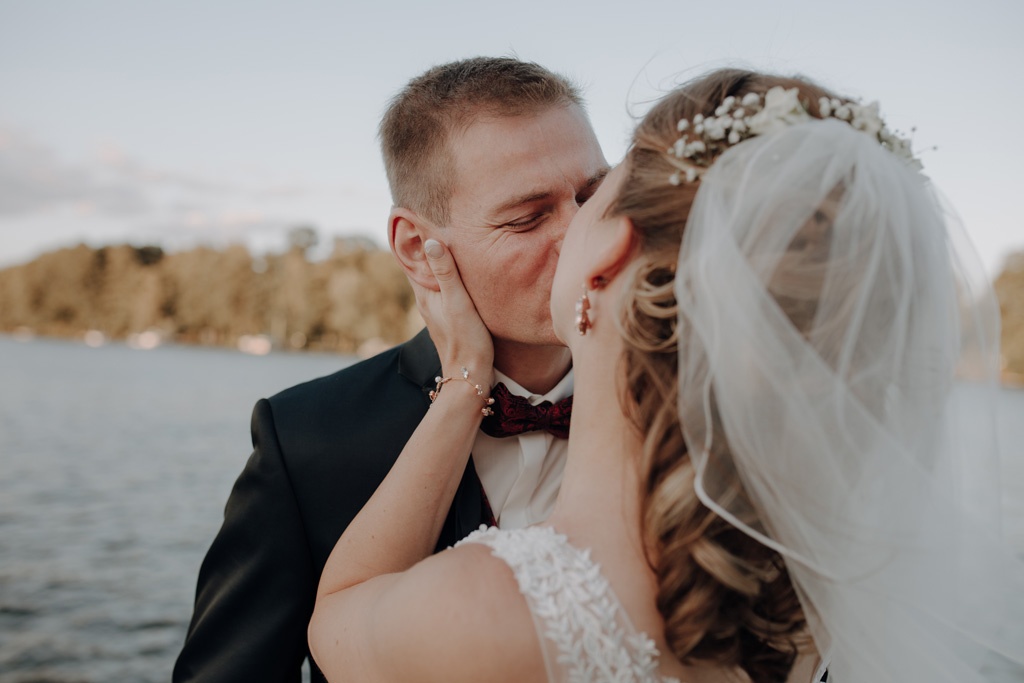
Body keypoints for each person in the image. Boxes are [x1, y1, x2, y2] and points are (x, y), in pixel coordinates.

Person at [308, 68, 1024, 682]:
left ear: (611, 252)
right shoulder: (807, 599)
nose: (566, 235)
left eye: (595, 196)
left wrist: (464, 380)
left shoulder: (485, 609)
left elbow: (339, 609)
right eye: (528, 218)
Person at [173, 56, 608, 682]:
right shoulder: (305, 439)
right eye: (528, 217)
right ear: (417, 249)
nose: (583, 234)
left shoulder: (695, 401)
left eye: (593, 195)